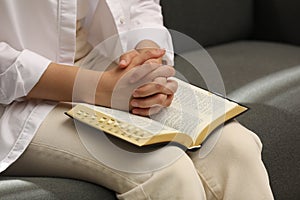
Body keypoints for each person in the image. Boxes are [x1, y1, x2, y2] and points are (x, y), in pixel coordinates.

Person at [0, 0, 274, 199]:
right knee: (166, 170)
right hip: (19, 97)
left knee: (237, 149)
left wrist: (148, 58)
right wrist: (99, 89)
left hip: (107, 67)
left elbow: (140, 4)